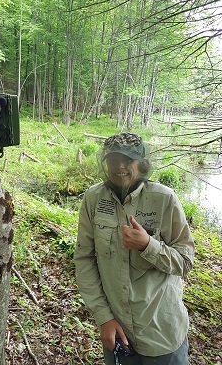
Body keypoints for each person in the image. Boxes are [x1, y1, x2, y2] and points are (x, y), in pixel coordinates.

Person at [74, 132, 195, 365]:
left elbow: (186, 262)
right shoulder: (93, 199)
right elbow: (84, 259)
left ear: (142, 163)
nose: (120, 166)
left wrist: (148, 245)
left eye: (128, 160)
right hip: (118, 333)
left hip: (162, 333)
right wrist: (103, 318)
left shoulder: (164, 198)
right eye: (113, 159)